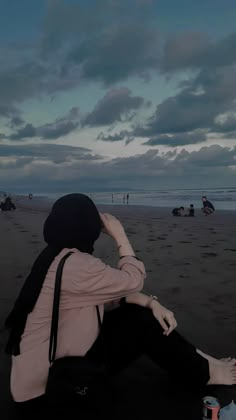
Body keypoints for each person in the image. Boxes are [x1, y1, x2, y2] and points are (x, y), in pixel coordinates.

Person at [5, 194, 236, 417]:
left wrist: (151, 302)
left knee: (142, 313)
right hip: (50, 388)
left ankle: (203, 362)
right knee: (142, 323)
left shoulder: (58, 256)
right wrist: (120, 236)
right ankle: (205, 372)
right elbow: (133, 280)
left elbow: (109, 295)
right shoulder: (76, 266)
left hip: (47, 369)